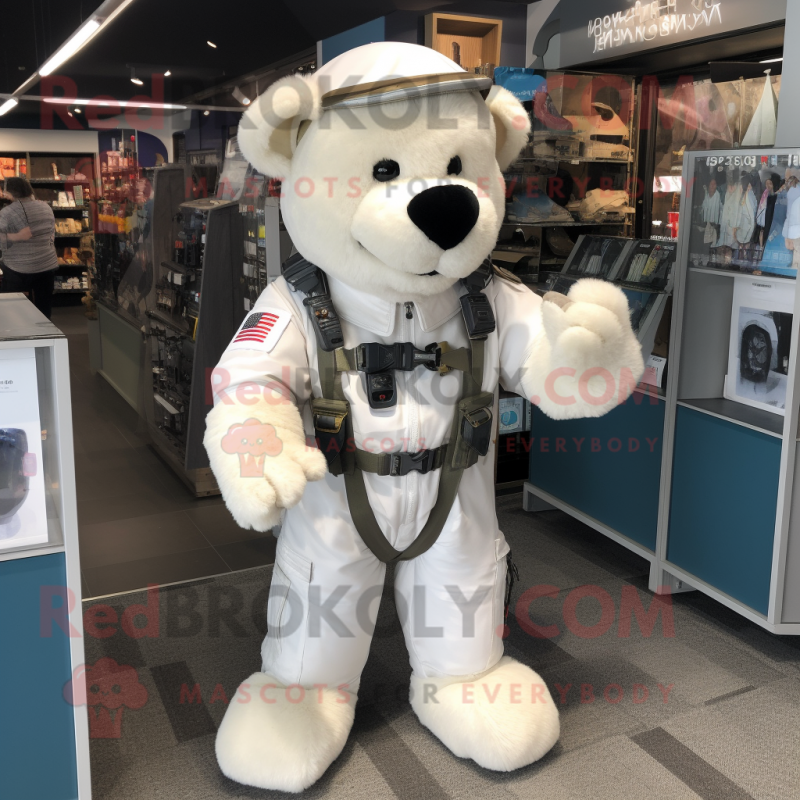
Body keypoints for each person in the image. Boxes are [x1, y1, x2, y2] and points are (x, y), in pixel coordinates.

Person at [0, 177, 59, 318]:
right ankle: (45, 332)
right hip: (47, 265)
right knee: (44, 305)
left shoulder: (7, 212)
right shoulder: (46, 207)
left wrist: (14, 237)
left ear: (9, 193)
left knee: (14, 306)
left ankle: (20, 330)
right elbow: (51, 234)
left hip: (19, 268)